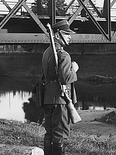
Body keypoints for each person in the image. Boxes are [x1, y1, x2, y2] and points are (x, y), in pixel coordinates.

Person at [41, 20, 79, 155]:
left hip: (48, 97)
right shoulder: (63, 55)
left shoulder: (47, 52)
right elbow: (65, 78)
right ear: (57, 35)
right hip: (61, 99)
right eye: (67, 34)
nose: (70, 37)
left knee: (49, 133)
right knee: (60, 134)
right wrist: (74, 69)